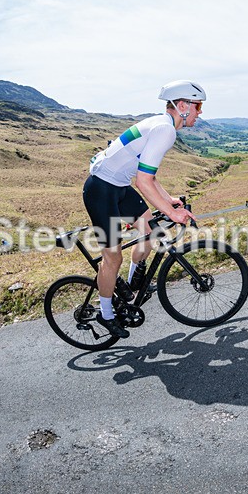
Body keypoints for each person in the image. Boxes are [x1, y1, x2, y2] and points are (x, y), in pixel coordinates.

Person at [83, 80, 201, 337]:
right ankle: (106, 314)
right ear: (182, 106)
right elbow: (143, 181)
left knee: (151, 232)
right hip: (101, 190)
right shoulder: (165, 130)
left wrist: (168, 200)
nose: (199, 112)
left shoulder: (161, 124)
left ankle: (134, 284)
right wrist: (173, 213)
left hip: (119, 186)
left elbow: (150, 176)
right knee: (113, 257)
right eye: (197, 106)